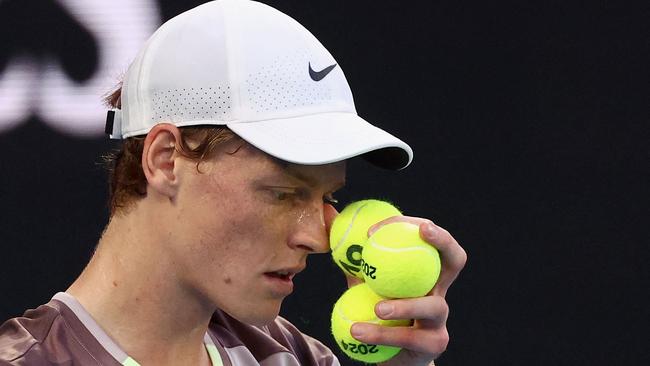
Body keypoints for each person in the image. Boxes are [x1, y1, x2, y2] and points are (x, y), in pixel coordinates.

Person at [0, 1, 467, 365]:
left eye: (329, 197)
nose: (318, 237)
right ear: (166, 160)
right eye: (283, 192)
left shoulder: (297, 359)